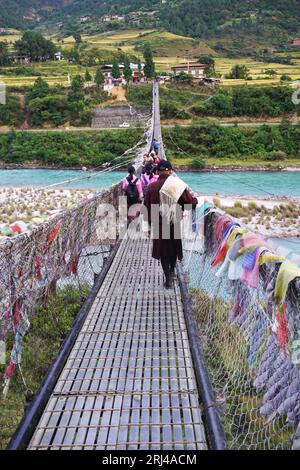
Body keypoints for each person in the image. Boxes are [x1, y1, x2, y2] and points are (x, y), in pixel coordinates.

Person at [144, 160, 198, 289]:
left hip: (158, 223)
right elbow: (189, 203)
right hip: (173, 222)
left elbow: (146, 206)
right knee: (173, 248)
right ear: (170, 171)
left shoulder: (151, 187)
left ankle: (167, 278)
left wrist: (148, 225)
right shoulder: (176, 185)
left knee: (163, 251)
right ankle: (173, 271)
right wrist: (195, 199)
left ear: (157, 171)